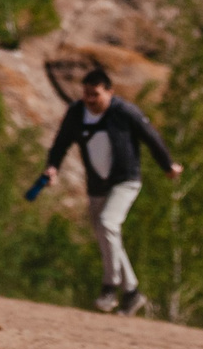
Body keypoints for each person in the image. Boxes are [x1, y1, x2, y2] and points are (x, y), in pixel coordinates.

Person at [41, 66, 181, 316]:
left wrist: (167, 165)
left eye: (95, 94)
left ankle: (109, 287)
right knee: (106, 234)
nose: (90, 100)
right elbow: (61, 143)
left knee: (107, 223)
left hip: (125, 180)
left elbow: (150, 136)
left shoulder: (124, 112)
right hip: (97, 184)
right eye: (86, 94)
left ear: (110, 92)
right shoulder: (76, 113)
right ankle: (132, 292)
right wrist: (52, 168)